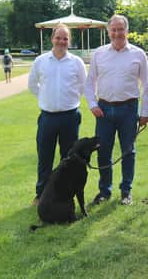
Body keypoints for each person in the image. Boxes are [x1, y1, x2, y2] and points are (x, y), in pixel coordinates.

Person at [84, 14, 148, 206]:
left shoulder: (138, 54)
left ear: (127, 31)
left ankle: (126, 191)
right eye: (113, 30)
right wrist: (92, 105)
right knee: (103, 151)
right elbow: (89, 83)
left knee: (128, 151)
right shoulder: (99, 53)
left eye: (120, 29)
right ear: (108, 32)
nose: (117, 33)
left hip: (129, 109)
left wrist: (145, 113)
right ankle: (105, 191)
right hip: (103, 110)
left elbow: (147, 86)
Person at [28, 24, 86, 206]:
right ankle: (41, 195)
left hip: (70, 117)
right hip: (48, 118)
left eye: (65, 38)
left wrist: (68, 99)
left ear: (69, 41)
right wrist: (47, 99)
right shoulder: (41, 61)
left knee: (68, 160)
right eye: (58, 37)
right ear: (52, 38)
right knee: (45, 157)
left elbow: (84, 87)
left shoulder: (76, 62)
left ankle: (63, 195)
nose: (61, 41)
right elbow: (32, 85)